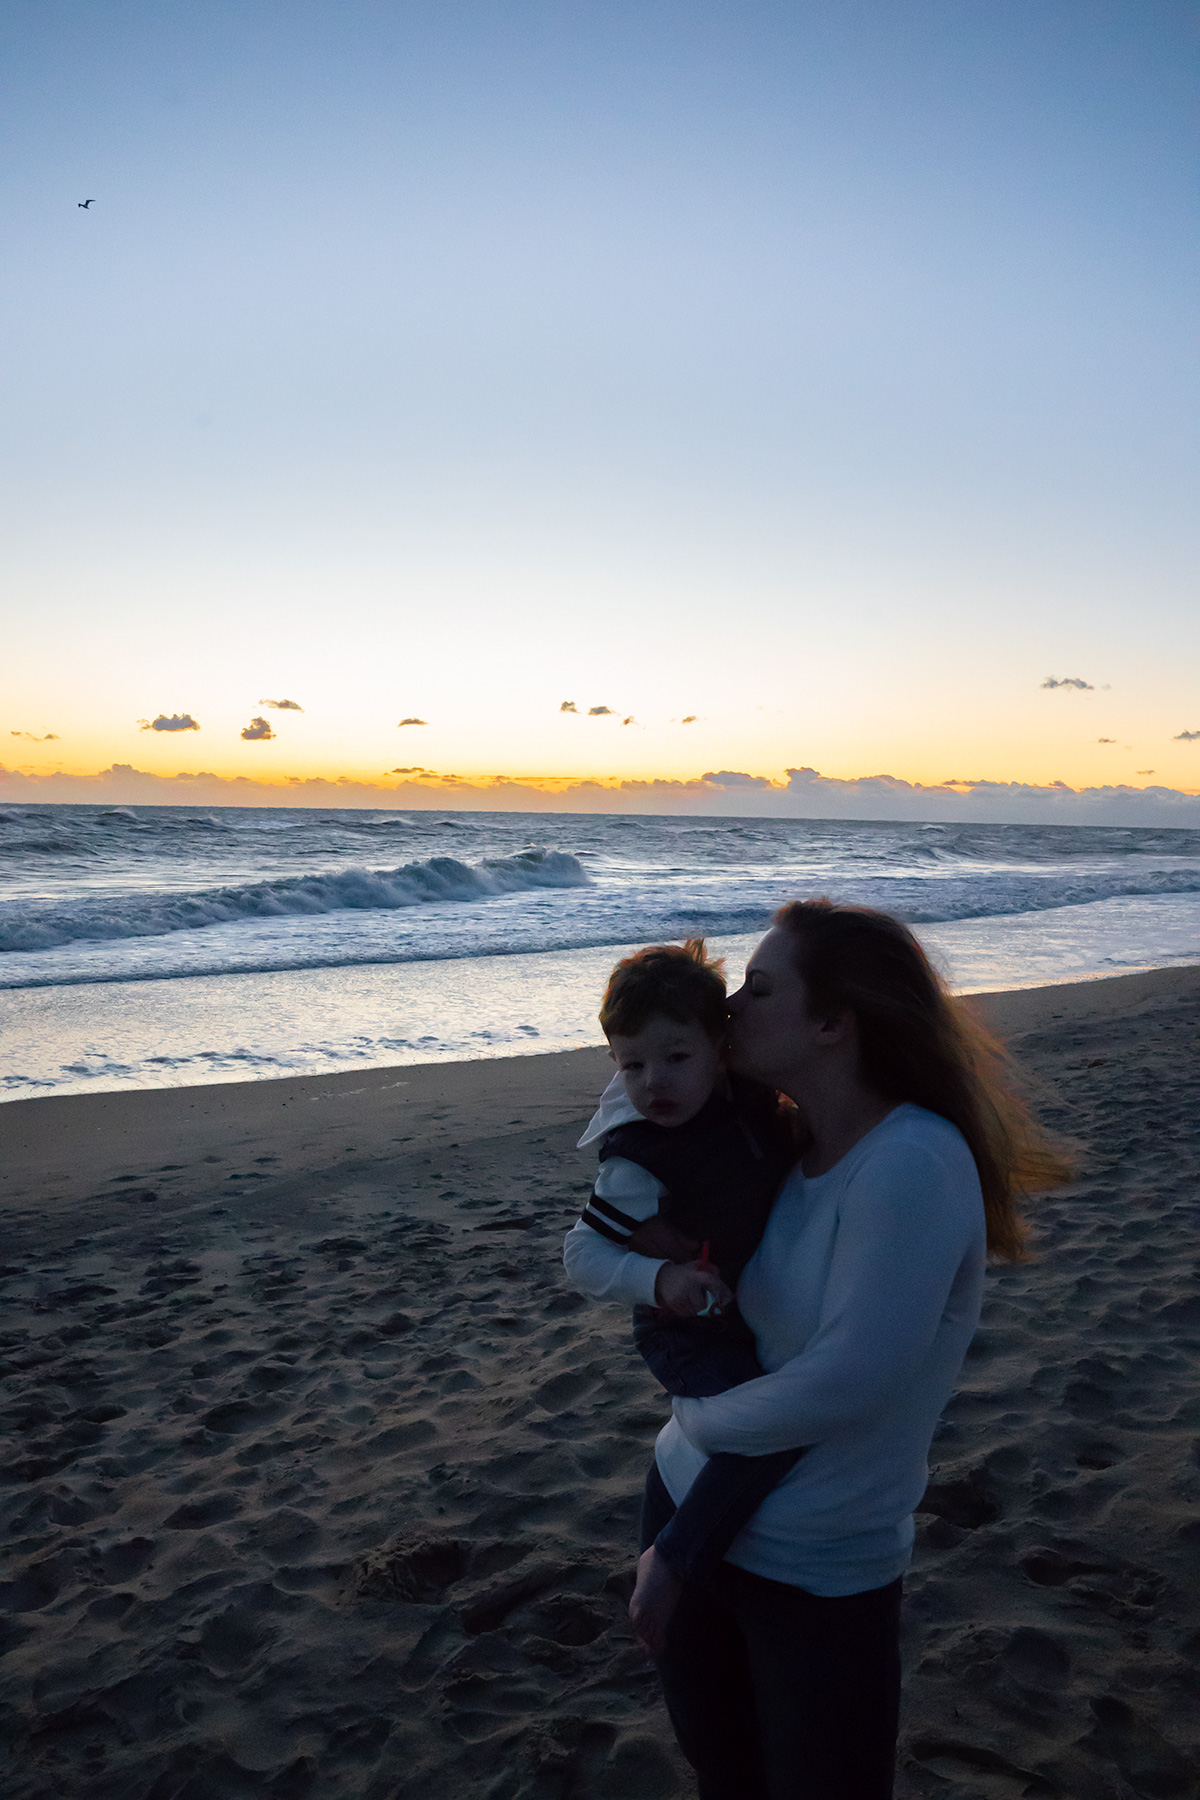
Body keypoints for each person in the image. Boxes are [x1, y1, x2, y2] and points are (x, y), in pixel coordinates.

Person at [631, 899, 1071, 1800]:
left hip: (812, 1565)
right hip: (684, 1500)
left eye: (756, 990)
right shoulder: (779, 1143)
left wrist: (697, 1418)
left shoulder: (911, 1160)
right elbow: (629, 1075)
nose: (728, 1010)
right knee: (725, 1776)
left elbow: (848, 1381)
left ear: (833, 1023)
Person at [563, 942, 803, 1613]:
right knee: (765, 1431)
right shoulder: (638, 1158)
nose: (654, 1083)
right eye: (631, 1065)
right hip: (684, 1333)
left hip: (746, 1308)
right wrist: (660, 1277)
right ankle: (676, 1556)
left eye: (676, 1058)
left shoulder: (748, 1097)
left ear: (718, 1047)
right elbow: (582, 1255)